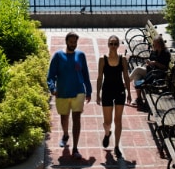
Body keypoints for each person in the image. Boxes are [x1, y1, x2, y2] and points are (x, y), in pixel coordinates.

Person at [47, 31, 92, 160]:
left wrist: (88, 91)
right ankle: (65, 134)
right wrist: (52, 88)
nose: (73, 44)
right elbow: (50, 76)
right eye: (71, 42)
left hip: (78, 92)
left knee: (77, 118)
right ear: (66, 41)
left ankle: (75, 148)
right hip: (62, 92)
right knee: (64, 117)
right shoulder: (58, 56)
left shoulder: (81, 55)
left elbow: (86, 75)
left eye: (75, 42)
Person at [96, 34, 131, 159]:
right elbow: (99, 77)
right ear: (108, 45)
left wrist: (129, 93)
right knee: (108, 122)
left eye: (115, 43)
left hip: (119, 91)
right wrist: (97, 94)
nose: (113, 46)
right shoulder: (102, 59)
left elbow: (126, 76)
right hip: (107, 91)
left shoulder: (123, 60)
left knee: (118, 120)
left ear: (118, 45)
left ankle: (116, 146)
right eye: (111, 43)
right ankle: (107, 133)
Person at [129, 34, 170, 104]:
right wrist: (148, 62)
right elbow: (151, 60)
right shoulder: (155, 51)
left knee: (137, 70)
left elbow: (165, 67)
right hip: (150, 71)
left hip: (157, 74)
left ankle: (126, 84)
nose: (154, 46)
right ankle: (139, 98)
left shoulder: (166, 53)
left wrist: (155, 63)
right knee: (137, 75)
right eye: (153, 44)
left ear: (160, 44)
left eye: (155, 44)